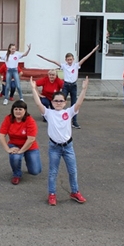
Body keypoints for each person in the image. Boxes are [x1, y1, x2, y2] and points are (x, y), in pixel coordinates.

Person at [30, 76, 89, 206]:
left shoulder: (69, 112)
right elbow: (38, 103)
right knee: (53, 172)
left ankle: (75, 191)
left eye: (61, 101)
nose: (58, 103)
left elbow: (78, 103)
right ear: (52, 102)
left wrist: (84, 89)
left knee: (73, 170)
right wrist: (34, 89)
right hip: (54, 147)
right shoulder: (48, 113)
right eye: (56, 101)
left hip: (68, 146)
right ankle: (52, 194)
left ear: (65, 102)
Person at [37, 44, 99, 128]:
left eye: (71, 59)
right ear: (66, 60)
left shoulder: (76, 65)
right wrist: (43, 57)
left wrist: (93, 50)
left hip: (73, 86)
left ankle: (74, 121)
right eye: (68, 59)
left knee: (74, 103)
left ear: (73, 59)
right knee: (60, 101)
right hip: (65, 85)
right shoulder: (64, 66)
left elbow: (85, 58)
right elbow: (54, 61)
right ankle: (58, 118)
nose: (69, 61)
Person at [0, 100, 42, 185]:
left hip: (30, 146)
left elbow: (31, 139)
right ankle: (16, 175)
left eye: (20, 109)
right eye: (16, 109)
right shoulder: (8, 118)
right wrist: (8, 149)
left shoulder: (30, 121)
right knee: (15, 157)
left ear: (25, 111)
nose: (18, 111)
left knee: (35, 171)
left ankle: (26, 156)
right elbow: (1, 135)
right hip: (14, 144)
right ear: (12, 110)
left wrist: (21, 151)